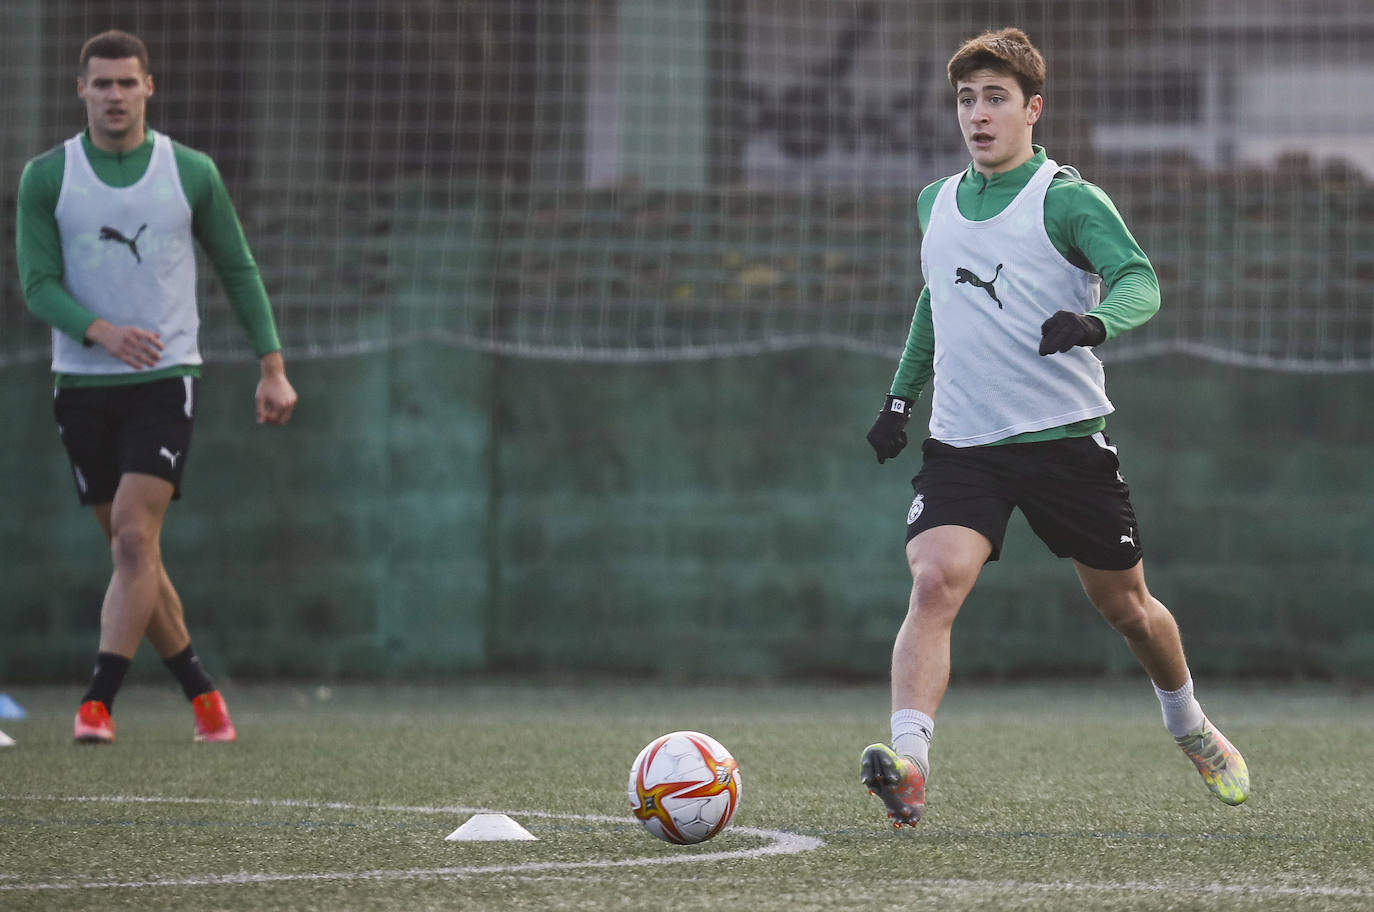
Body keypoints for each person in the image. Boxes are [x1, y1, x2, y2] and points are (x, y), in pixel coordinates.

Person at [858, 28, 1248, 826]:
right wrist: (900, 399)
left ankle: (1190, 724)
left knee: (1128, 609)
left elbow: (1140, 281)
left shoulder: (1067, 198)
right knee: (934, 582)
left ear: (1033, 109)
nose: (978, 114)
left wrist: (1097, 322)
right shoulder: (934, 201)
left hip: (1065, 440)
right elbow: (937, 298)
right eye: (967, 99)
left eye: (996, 98)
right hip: (963, 446)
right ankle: (911, 763)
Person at [16, 30, 298, 744]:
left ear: (150, 87)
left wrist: (273, 366)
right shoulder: (48, 178)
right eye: (101, 83)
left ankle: (96, 701)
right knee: (132, 554)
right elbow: (38, 285)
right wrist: (100, 330)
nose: (115, 95)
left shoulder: (190, 172)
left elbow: (237, 267)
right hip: (81, 384)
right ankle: (201, 692)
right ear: (80, 90)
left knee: (136, 538)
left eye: (126, 83)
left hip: (165, 382)